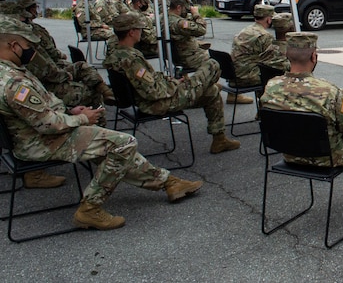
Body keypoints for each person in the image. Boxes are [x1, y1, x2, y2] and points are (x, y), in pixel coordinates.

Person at [0, 15, 203, 230]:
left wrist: (70, 110)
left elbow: (38, 112)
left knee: (112, 144)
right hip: (41, 143)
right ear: (13, 45)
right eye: (27, 45)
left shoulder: (9, 72)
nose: (32, 50)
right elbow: (49, 124)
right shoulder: (14, 82)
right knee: (123, 143)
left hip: (37, 137)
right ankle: (90, 209)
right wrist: (81, 118)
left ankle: (169, 183)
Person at [259, 32, 343, 206]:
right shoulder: (328, 91)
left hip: (289, 154)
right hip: (325, 157)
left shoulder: (270, 87)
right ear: (313, 56)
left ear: (287, 55)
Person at [103, 12, 240, 155]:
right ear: (131, 32)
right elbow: (154, 92)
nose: (141, 32)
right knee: (212, 65)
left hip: (149, 99)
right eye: (139, 29)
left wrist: (172, 81)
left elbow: (149, 81)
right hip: (156, 103)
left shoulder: (116, 53)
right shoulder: (130, 59)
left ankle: (220, 139)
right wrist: (176, 85)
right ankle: (219, 135)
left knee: (211, 91)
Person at [230, 5, 291, 92]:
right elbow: (271, 61)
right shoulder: (264, 36)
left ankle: (232, 96)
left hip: (234, 74)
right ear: (269, 20)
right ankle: (267, 101)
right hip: (247, 77)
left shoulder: (246, 30)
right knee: (277, 72)